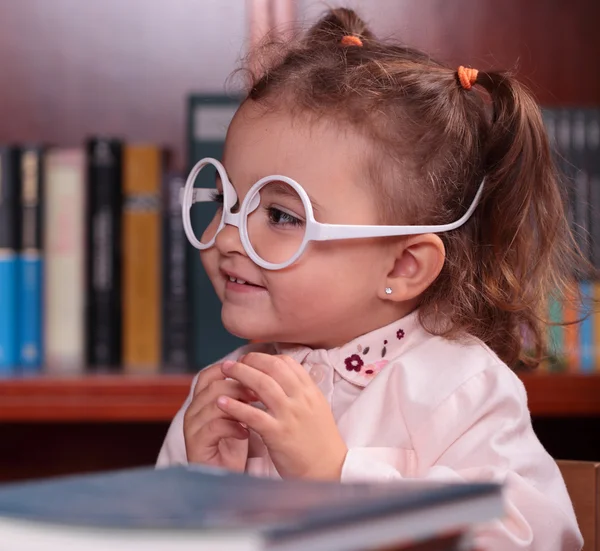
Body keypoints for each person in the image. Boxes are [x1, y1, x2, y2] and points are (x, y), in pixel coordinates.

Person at [158, 8, 583, 550]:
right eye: (227, 201)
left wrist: (337, 476)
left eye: (283, 216)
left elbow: (535, 539)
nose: (226, 238)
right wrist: (204, 495)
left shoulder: (460, 389)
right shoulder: (219, 394)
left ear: (403, 266)